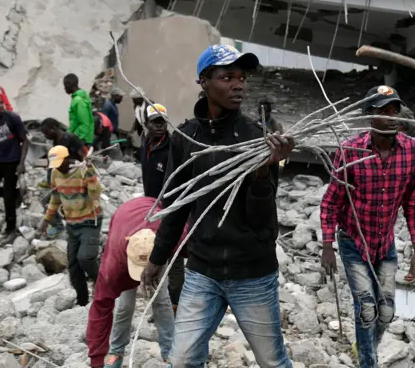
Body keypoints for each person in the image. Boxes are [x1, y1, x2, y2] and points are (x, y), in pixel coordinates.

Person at [140, 45, 295, 368]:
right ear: (204, 82)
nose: (239, 85)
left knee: (272, 362)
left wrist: (264, 171)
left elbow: (264, 223)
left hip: (252, 273)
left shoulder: (257, 139)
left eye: (241, 77)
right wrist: (158, 258)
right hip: (203, 271)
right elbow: (176, 206)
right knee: (182, 359)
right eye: (227, 77)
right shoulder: (185, 138)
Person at [320, 85, 415, 368]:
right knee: (367, 307)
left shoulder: (413, 150)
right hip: (352, 240)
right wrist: (327, 246)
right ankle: (369, 362)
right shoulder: (350, 150)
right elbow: (331, 201)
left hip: (385, 242)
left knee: (387, 311)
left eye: (394, 110)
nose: (391, 117)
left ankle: (365, 346)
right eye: (383, 111)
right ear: (370, 115)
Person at [87, 197, 177, 368]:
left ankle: (170, 353)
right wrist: (97, 361)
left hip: (156, 244)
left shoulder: (171, 236)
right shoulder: (114, 264)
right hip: (125, 223)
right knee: (124, 306)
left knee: (161, 301)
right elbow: (100, 309)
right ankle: (116, 352)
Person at [41, 145, 102, 306]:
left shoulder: (82, 170)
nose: (59, 167)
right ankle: (82, 301)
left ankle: (100, 281)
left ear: (68, 158)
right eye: (56, 164)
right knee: (74, 267)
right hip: (72, 224)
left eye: (61, 162)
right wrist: (46, 220)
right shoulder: (55, 173)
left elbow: (96, 194)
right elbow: (55, 198)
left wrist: (89, 172)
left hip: (89, 221)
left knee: (86, 257)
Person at [138, 103, 185, 311]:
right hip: (151, 206)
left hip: (170, 208)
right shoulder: (145, 143)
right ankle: (160, 306)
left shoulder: (173, 146)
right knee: (154, 254)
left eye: (162, 122)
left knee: (172, 257)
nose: (159, 126)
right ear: (146, 124)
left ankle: (176, 306)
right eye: (154, 122)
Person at [0, 95, 29, 244]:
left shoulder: (12, 118)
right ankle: (16, 194)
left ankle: (11, 229)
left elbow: (25, 141)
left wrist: (21, 163)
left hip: (12, 161)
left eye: (1, 103)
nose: (1, 106)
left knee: (7, 199)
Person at [64, 73, 95, 146]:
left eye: (65, 86)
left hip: (81, 139)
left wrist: (76, 138)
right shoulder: (79, 98)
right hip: (79, 137)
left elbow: (84, 123)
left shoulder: (78, 101)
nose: (64, 88)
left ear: (69, 84)